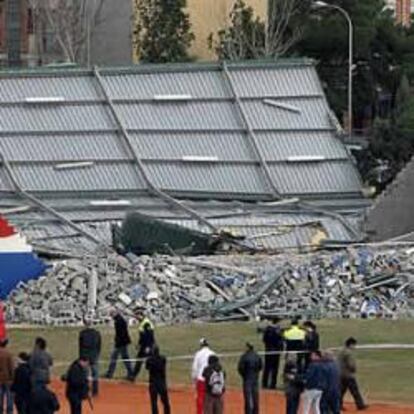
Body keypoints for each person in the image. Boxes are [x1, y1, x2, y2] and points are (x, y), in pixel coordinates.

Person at [337, 338, 368, 411]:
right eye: (354, 345)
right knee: (355, 391)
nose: (354, 347)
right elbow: (351, 364)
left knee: (341, 391)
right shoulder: (348, 353)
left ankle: (338, 405)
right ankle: (360, 405)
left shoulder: (341, 351)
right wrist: (354, 369)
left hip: (341, 374)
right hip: (348, 375)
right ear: (350, 344)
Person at [104, 309, 134, 380]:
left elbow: (121, 334)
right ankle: (130, 373)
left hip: (121, 343)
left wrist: (117, 342)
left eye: (111, 315)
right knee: (125, 358)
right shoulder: (119, 319)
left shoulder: (119, 321)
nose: (111, 316)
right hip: (122, 342)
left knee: (115, 358)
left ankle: (110, 373)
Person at [79, 317, 102, 396]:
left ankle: (85, 390)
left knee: (85, 374)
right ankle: (95, 391)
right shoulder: (97, 333)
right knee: (95, 373)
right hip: (94, 355)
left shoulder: (82, 333)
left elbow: (81, 346)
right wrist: (97, 354)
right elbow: (99, 345)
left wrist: (81, 357)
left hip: (85, 355)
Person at [238, 342, 262, 414]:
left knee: (248, 398)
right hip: (255, 378)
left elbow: (240, 368)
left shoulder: (244, 356)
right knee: (255, 398)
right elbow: (260, 366)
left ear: (248, 347)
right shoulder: (257, 356)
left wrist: (244, 376)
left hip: (247, 378)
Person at [192, 338, 215, 414]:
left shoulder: (198, 354)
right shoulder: (213, 353)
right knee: (211, 398)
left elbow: (195, 368)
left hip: (201, 379)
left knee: (200, 398)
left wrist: (194, 380)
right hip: (211, 379)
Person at [145, 345, 170, 414]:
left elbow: (147, 367)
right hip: (162, 383)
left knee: (154, 402)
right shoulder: (163, 359)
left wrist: (148, 354)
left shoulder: (149, 360)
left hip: (153, 384)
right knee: (165, 402)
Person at [261, 318, 284, 389]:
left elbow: (264, 339)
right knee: (274, 369)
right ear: (277, 323)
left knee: (267, 368)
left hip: (268, 350)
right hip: (275, 351)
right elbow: (280, 341)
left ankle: (264, 383)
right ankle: (272, 384)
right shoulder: (278, 331)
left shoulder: (267, 330)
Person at [133, 310, 155, 379]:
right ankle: (133, 376)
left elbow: (149, 336)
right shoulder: (142, 322)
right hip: (143, 345)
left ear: (140, 315)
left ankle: (153, 377)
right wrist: (139, 344)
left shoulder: (146, 323)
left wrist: (148, 347)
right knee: (139, 361)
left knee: (150, 362)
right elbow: (142, 336)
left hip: (148, 345)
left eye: (137, 316)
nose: (136, 318)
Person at [0, 339, 14, 414]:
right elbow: (11, 367)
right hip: (8, 379)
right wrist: (12, 378)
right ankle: (9, 411)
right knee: (9, 397)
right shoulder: (9, 354)